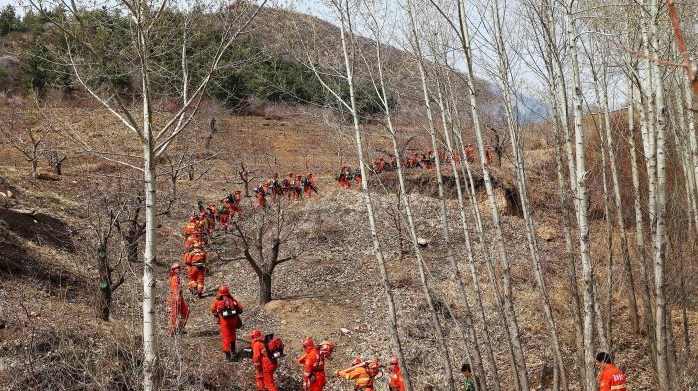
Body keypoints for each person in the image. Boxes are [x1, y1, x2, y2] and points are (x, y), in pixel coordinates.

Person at [210, 285, 243, 361]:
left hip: (224, 321)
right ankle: (233, 350)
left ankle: (228, 356)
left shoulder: (217, 300)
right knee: (232, 333)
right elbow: (240, 307)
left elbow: (213, 309)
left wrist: (217, 316)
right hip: (233, 319)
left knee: (226, 337)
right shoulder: (231, 298)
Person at [167, 263, 189, 336]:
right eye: (178, 268)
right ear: (174, 270)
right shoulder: (174, 278)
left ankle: (180, 328)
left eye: (179, 268)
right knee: (174, 315)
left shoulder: (177, 277)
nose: (179, 270)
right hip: (175, 299)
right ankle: (171, 331)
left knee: (186, 312)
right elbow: (175, 289)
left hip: (180, 298)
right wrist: (177, 299)